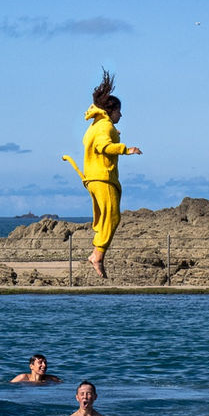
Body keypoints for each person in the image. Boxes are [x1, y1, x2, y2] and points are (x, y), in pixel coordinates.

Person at [62, 70, 142, 278]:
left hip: (94, 177)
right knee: (113, 217)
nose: (121, 116)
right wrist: (126, 149)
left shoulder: (96, 125)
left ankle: (97, 252)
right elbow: (103, 146)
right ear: (112, 110)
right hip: (102, 177)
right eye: (119, 112)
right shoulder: (105, 125)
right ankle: (97, 256)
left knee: (105, 217)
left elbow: (98, 142)